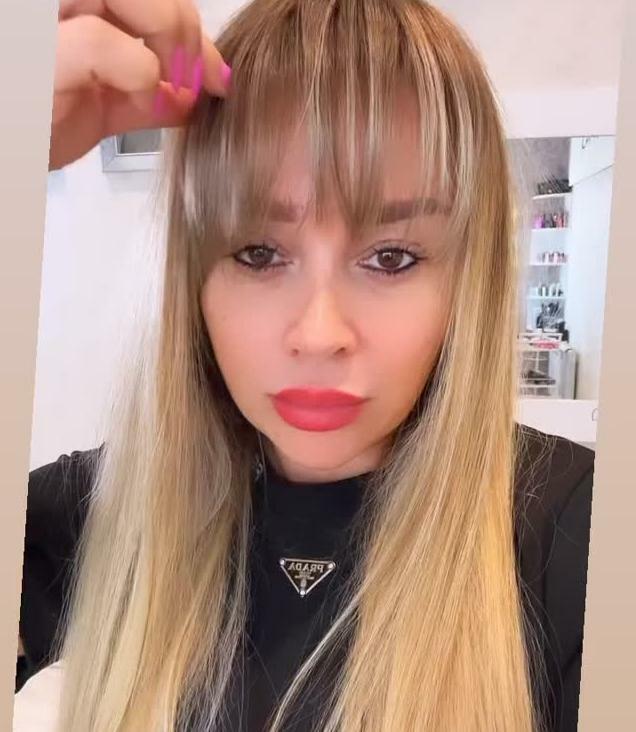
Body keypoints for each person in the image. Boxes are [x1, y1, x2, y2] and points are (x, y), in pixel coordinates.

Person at [14, 0, 596, 730]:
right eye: (259, 253)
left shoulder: (582, 538)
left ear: (467, 279)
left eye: (392, 257)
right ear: (193, 276)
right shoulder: (87, 518)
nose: (319, 336)